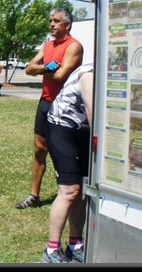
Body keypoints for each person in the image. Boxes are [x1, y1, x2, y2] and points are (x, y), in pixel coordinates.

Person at [16, 7, 83, 209]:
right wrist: (47, 67)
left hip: (64, 105)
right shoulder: (47, 45)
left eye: (56, 21)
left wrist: (39, 70)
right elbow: (29, 69)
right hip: (45, 102)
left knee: (60, 152)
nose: (52, 24)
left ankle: (67, 194)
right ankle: (34, 196)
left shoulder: (74, 46)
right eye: (50, 21)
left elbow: (61, 75)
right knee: (39, 150)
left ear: (67, 24)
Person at [41, 63, 94, 263]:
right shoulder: (89, 73)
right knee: (69, 190)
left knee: (81, 189)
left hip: (83, 130)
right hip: (62, 127)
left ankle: (75, 244)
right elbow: (93, 110)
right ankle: (51, 249)